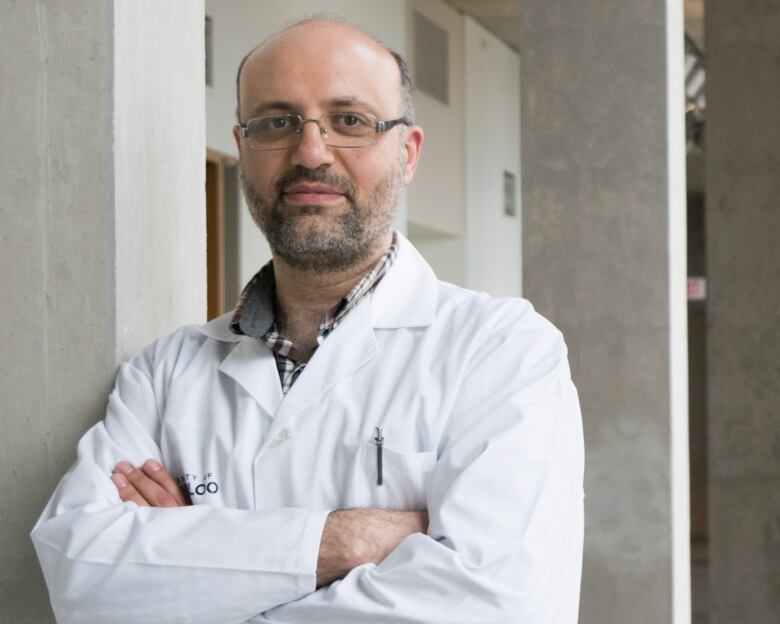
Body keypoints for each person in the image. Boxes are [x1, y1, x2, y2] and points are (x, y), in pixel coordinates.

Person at [32, 17, 584, 624]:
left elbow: (493, 604)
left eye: (350, 120)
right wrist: (343, 542)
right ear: (242, 148)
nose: (311, 152)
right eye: (277, 122)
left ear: (408, 152)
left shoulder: (503, 350)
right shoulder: (165, 372)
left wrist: (195, 566)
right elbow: (79, 572)